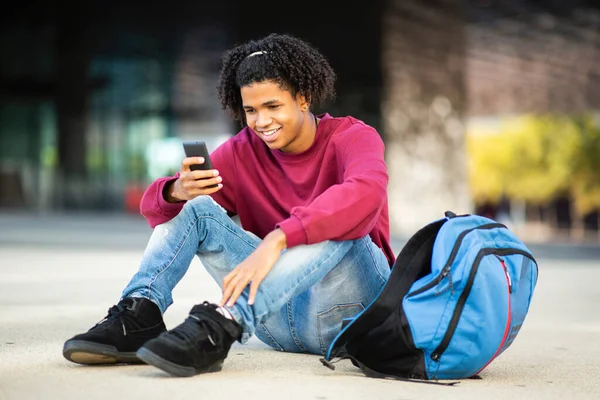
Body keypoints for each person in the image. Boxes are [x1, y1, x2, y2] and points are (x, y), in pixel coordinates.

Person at [62, 33, 395, 377]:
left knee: (344, 225)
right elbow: (156, 211)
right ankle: (140, 314)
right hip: (277, 321)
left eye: (273, 106)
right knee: (197, 207)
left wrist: (280, 238)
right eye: (251, 110)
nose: (261, 122)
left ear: (304, 98)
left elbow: (366, 194)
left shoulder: (352, 137)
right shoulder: (242, 152)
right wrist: (176, 190)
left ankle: (223, 322)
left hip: (351, 315)